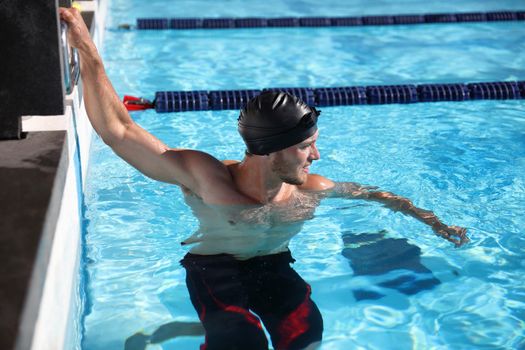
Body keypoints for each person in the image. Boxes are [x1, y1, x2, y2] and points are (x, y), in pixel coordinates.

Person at [60, 7, 468, 350]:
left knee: (307, 335)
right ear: (271, 150)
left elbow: (380, 196)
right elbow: (120, 131)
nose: (316, 156)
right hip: (214, 267)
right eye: (306, 146)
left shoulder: (311, 188)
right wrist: (88, 49)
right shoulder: (208, 178)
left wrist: (435, 223)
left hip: (273, 265)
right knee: (240, 340)